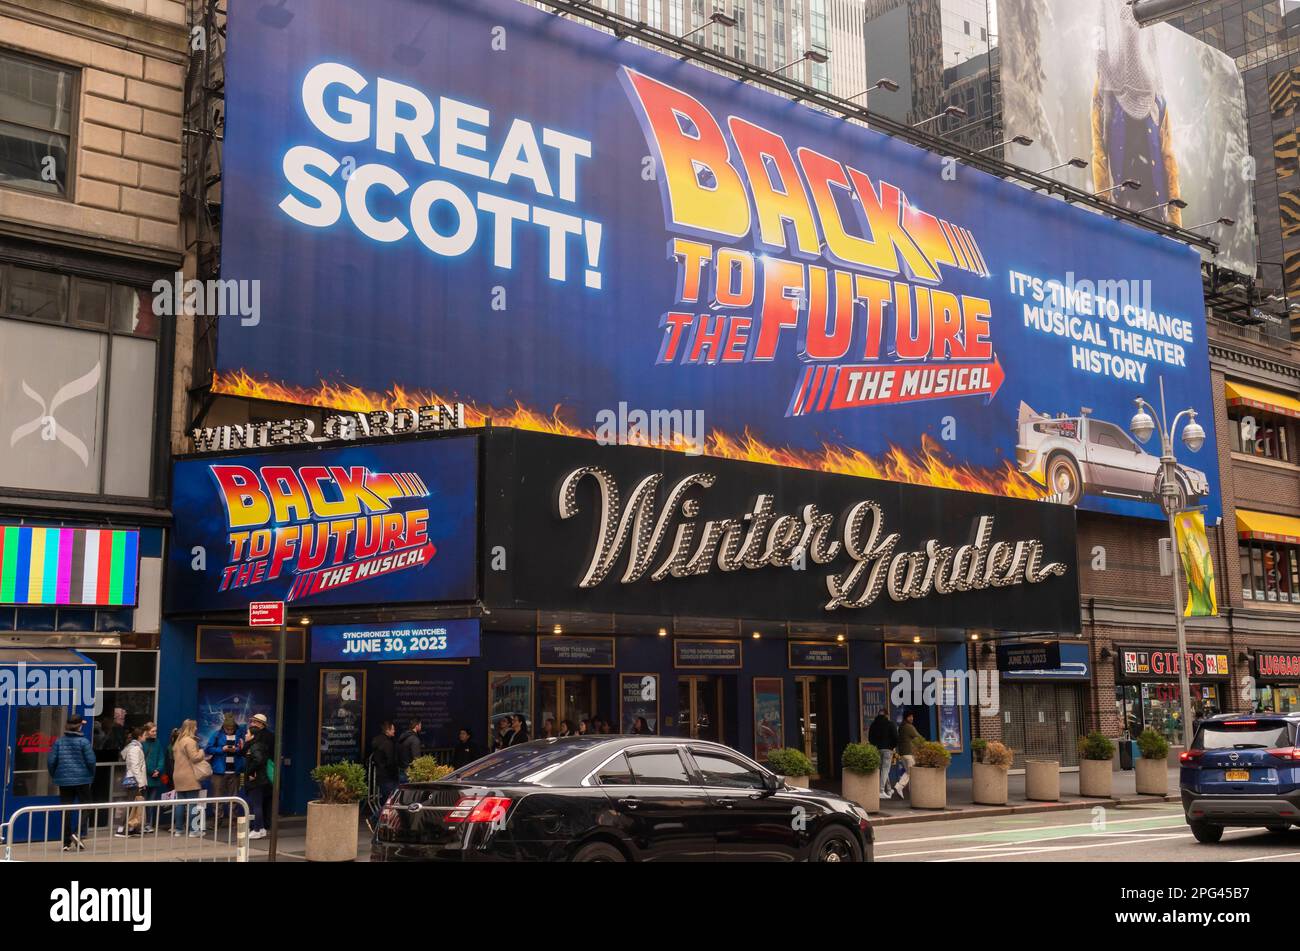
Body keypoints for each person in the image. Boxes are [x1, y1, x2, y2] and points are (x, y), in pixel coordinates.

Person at [48, 713, 96, 851]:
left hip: (64, 781)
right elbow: (91, 761)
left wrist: (55, 775)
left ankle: (65, 842)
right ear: (80, 726)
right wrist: (90, 775)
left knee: (66, 810)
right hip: (82, 779)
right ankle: (76, 833)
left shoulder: (59, 741)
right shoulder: (84, 742)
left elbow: (51, 761)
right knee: (88, 806)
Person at [205, 713, 246, 829]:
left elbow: (244, 750)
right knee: (217, 797)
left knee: (234, 797)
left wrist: (237, 750)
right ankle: (217, 820)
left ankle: (233, 820)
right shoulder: (217, 735)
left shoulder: (240, 735)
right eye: (227, 729)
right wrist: (221, 749)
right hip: (219, 771)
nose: (229, 730)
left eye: (231, 728)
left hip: (235, 771)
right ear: (223, 727)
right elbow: (208, 748)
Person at [170, 719, 209, 837]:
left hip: (178, 775)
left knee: (180, 803)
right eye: (195, 727)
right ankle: (193, 830)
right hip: (189, 776)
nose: (197, 729)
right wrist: (202, 751)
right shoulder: (189, 741)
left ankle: (178, 829)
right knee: (192, 803)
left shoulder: (178, 741)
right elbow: (195, 758)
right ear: (191, 728)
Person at [241, 713, 275, 839]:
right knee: (258, 803)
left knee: (257, 803)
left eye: (255, 722)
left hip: (259, 776)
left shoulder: (261, 741)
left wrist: (250, 771)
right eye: (252, 721)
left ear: (261, 724)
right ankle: (260, 827)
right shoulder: (254, 742)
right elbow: (244, 752)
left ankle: (258, 828)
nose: (252, 724)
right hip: (261, 776)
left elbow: (259, 759)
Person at [141, 722, 169, 831]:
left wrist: (158, 769)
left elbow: (161, 757)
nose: (155, 733)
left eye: (156, 731)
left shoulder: (157, 742)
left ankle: (148, 824)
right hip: (145, 778)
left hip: (155, 777)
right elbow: (142, 760)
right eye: (153, 731)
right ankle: (142, 823)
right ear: (147, 731)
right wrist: (152, 771)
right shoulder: (142, 743)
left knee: (151, 803)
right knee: (143, 802)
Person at [868, 711, 899, 796]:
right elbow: (896, 737)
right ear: (886, 715)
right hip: (888, 750)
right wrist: (892, 746)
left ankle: (888, 789)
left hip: (877, 749)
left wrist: (875, 745)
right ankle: (881, 791)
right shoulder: (890, 724)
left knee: (883, 769)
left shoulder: (874, 724)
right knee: (885, 769)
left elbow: (870, 737)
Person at [370, 721, 399, 801]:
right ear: (387, 730)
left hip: (381, 775)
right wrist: (394, 774)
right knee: (391, 801)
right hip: (389, 777)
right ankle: (376, 814)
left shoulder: (377, 741)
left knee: (386, 801)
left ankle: (379, 813)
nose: (394, 731)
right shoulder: (388, 743)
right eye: (392, 729)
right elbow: (390, 761)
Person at [896, 711, 922, 797]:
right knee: (911, 772)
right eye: (910, 717)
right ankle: (899, 786)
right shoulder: (909, 727)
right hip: (908, 753)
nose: (912, 718)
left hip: (902, 753)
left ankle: (910, 790)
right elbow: (918, 737)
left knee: (909, 772)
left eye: (912, 716)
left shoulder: (901, 726)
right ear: (906, 717)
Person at [395, 718, 422, 783]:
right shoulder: (414, 739)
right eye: (420, 725)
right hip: (410, 772)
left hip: (401, 769)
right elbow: (417, 758)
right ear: (417, 726)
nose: (421, 727)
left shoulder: (402, 737)